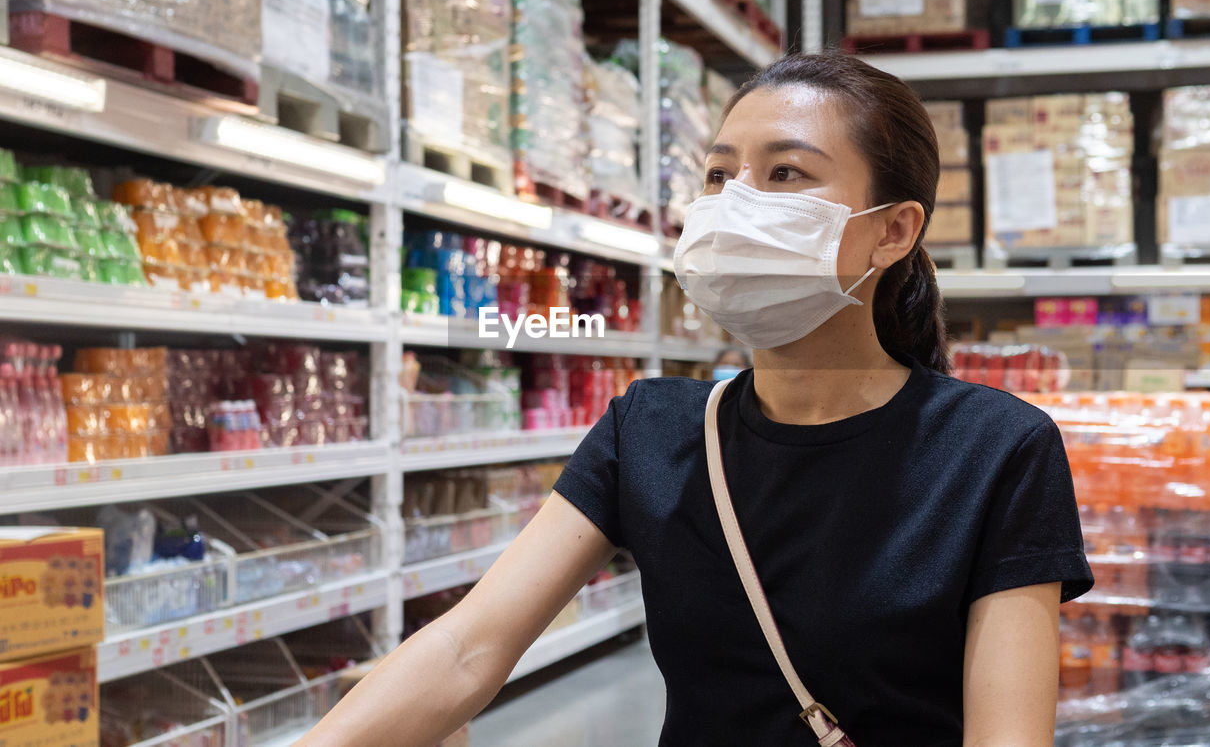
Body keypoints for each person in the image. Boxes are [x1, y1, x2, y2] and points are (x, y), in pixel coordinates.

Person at [296, 51, 1093, 747]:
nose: (734, 203)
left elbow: (1007, 737)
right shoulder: (649, 430)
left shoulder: (996, 450)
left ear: (893, 232)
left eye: (786, 173)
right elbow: (469, 648)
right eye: (719, 174)